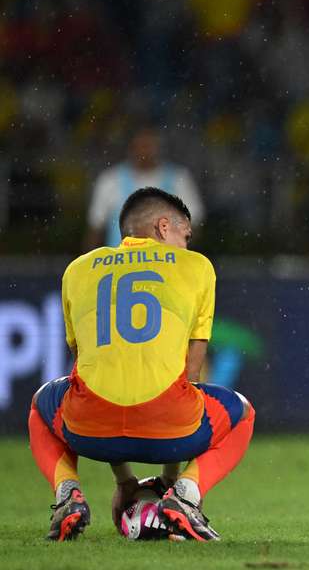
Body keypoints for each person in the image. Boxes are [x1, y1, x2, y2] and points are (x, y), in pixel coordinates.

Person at [30, 187, 255, 540]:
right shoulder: (196, 267)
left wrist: (124, 480)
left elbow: (86, 370)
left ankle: (67, 495)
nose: (187, 246)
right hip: (170, 429)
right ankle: (186, 496)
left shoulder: (77, 271)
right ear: (164, 227)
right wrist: (170, 477)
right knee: (243, 413)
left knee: (41, 405)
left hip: (90, 433)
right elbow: (190, 376)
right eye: (186, 235)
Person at [85, 126, 205, 250]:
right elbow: (96, 230)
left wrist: (183, 257)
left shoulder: (179, 179)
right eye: (141, 145)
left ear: (159, 147)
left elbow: (193, 226)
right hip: (123, 265)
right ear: (131, 147)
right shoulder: (110, 180)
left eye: (149, 146)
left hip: (167, 264)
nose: (145, 151)